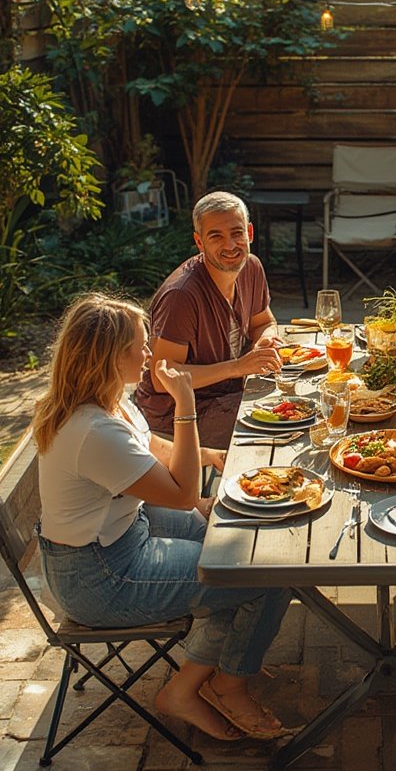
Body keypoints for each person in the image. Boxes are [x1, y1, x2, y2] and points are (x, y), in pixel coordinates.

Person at [34, 293, 292, 741]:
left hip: (121, 534)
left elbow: (147, 447)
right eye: (141, 345)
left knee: (239, 536)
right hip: (100, 575)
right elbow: (182, 493)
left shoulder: (104, 402)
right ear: (111, 357)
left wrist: (210, 454)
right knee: (264, 575)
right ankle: (214, 685)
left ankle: (226, 654)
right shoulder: (91, 431)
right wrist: (185, 404)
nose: (151, 354)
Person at [135, 191, 282, 448]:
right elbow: (162, 378)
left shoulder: (252, 267)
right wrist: (238, 367)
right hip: (178, 412)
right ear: (199, 242)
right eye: (216, 236)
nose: (230, 245)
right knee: (275, 433)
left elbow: (264, 323)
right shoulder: (181, 295)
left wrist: (264, 344)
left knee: (303, 407)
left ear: (249, 232)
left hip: (230, 393)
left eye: (237, 233)